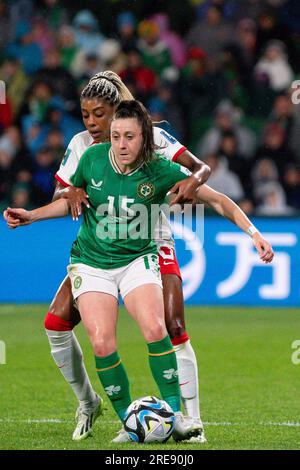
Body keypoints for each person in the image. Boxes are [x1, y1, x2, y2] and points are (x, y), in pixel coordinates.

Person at [4, 100, 274, 443]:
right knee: (101, 342)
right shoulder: (91, 158)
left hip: (138, 259)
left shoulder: (160, 169)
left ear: (144, 137)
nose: (120, 144)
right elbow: (67, 200)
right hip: (92, 262)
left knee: (156, 326)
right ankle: (128, 422)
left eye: (129, 137)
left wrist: (254, 234)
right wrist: (32, 215)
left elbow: (218, 199)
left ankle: (177, 417)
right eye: (116, 136)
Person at [18, 71, 212, 443]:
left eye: (99, 114)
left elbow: (197, 170)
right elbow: (66, 195)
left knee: (168, 327)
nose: (91, 122)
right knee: (60, 325)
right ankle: (90, 403)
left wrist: (200, 185)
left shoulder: (148, 137)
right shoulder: (82, 147)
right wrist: (65, 196)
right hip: (99, 249)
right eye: (85, 114)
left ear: (116, 111)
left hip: (151, 239)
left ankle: (189, 420)